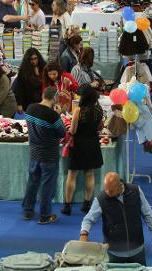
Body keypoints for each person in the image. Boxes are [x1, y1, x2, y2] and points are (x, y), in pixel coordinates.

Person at [80, 172, 152, 265]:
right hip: (113, 253)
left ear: (119, 186)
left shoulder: (135, 191)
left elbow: (147, 213)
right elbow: (88, 219)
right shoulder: (101, 199)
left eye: (110, 190)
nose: (107, 192)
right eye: (105, 189)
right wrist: (84, 234)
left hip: (137, 250)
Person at [22, 87, 64, 224]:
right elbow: (62, 133)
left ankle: (28, 211)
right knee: (47, 185)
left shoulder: (30, 108)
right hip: (49, 155)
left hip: (34, 152)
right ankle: (45, 215)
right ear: (55, 98)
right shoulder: (52, 115)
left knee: (32, 182)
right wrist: (58, 114)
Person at [62, 84, 104, 215]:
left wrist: (67, 127)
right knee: (89, 173)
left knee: (72, 174)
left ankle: (67, 205)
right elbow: (99, 127)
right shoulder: (99, 109)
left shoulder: (78, 110)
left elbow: (73, 130)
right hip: (92, 143)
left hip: (79, 144)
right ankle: (87, 203)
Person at [13, 48, 46, 113]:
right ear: (28, 60)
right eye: (31, 59)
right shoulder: (23, 71)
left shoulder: (44, 67)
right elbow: (19, 88)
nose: (34, 61)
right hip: (29, 101)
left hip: (43, 100)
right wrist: (19, 104)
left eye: (35, 58)